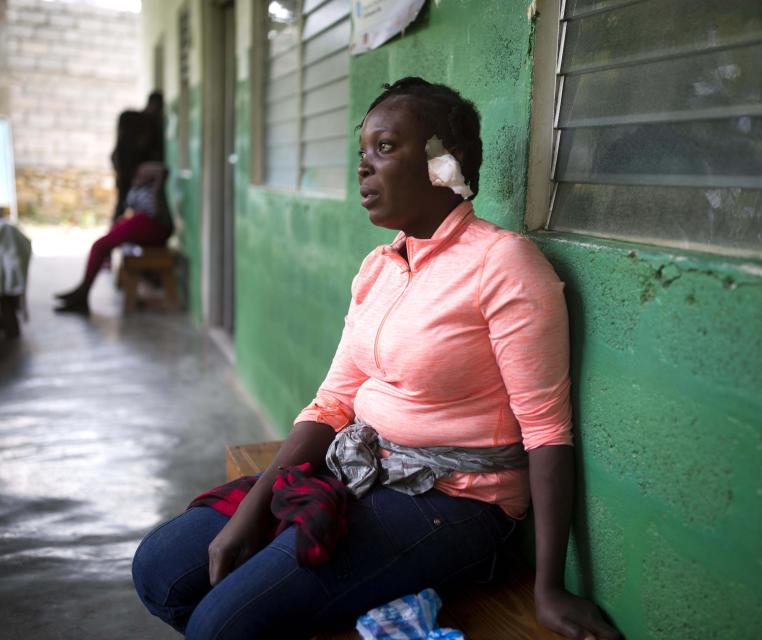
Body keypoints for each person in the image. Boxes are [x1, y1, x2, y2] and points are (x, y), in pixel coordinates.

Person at [130, 77, 621, 640]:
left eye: (385, 149)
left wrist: (549, 587)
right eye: (362, 153)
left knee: (223, 625)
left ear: (443, 163)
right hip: (363, 466)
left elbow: (547, 429)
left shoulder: (504, 263)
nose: (364, 169)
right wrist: (253, 510)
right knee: (161, 569)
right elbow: (334, 401)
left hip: (456, 503)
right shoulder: (379, 267)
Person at [55, 162, 172, 314]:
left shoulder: (156, 190)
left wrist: (156, 182)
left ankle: (82, 292)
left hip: (153, 228)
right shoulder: (138, 185)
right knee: (104, 241)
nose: (143, 174)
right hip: (143, 224)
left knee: (100, 245)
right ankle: (82, 290)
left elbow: (162, 174)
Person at [111, 91, 165, 223]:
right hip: (130, 171)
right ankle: (116, 232)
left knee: (129, 206)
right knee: (124, 204)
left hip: (132, 172)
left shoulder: (136, 120)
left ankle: (118, 232)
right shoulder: (139, 121)